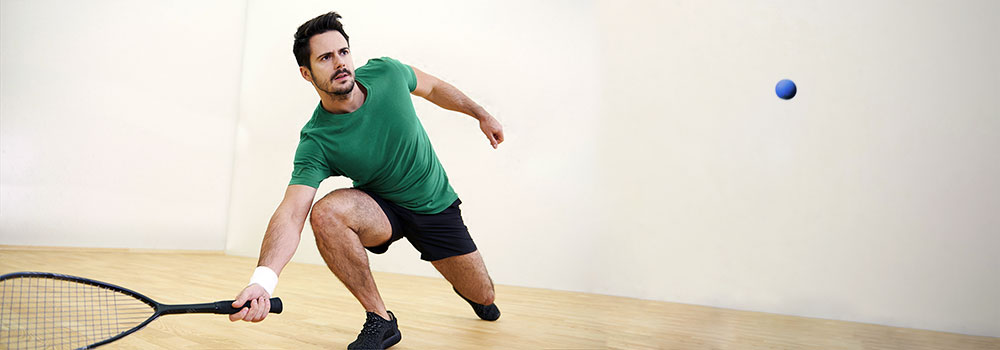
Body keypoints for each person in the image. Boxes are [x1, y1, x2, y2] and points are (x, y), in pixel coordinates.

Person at [227, 11, 504, 350]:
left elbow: (433, 88)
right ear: (307, 72)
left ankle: (473, 294)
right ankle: (380, 318)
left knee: (484, 295)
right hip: (380, 207)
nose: (339, 63)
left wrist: (480, 113)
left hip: (434, 206)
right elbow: (291, 212)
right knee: (325, 214)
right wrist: (263, 281)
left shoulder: (387, 73)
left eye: (343, 52)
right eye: (325, 58)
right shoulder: (317, 140)